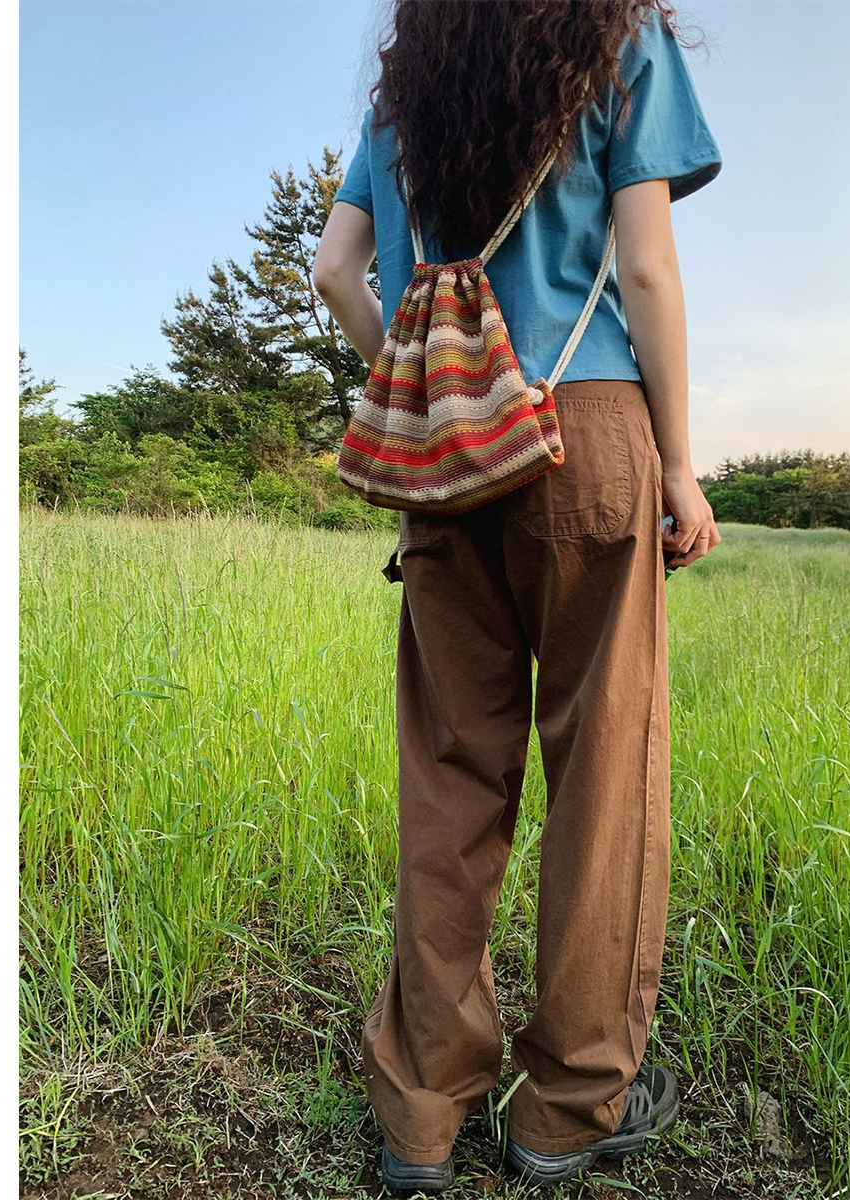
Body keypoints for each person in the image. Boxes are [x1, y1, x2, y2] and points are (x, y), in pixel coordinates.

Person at [313, 0, 722, 1190]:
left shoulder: (406, 94)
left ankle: (421, 1116)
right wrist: (679, 465)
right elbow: (644, 263)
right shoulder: (619, 39)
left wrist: (450, 391)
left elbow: (335, 270)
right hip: (586, 422)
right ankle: (569, 1108)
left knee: (449, 775)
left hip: (450, 456)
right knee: (604, 770)